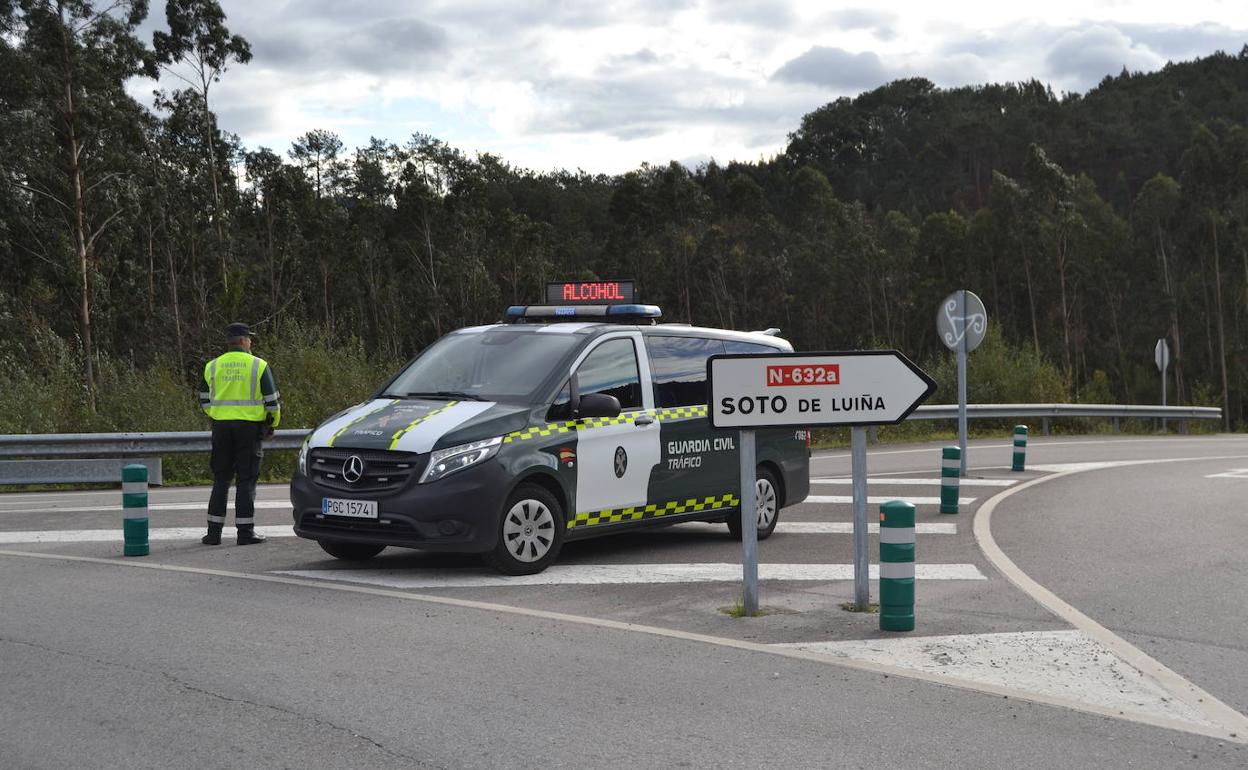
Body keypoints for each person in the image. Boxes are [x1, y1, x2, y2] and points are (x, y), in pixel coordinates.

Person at [198, 322, 281, 545]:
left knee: (221, 478)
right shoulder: (258, 365)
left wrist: (217, 414)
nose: (251, 342)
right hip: (249, 428)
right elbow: (272, 402)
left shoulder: (212, 366)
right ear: (244, 341)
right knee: (246, 479)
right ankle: (245, 532)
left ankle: (213, 533)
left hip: (221, 427)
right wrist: (271, 424)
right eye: (250, 338)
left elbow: (204, 399)